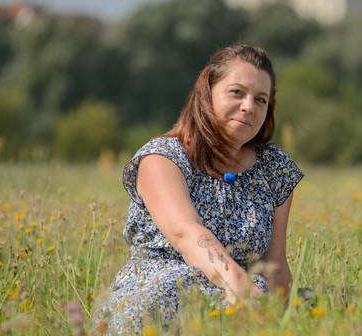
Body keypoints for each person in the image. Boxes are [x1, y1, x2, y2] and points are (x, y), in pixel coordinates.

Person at [92, 45, 303, 333]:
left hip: (244, 299)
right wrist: (236, 282)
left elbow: (274, 263)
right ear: (208, 92)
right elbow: (186, 234)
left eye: (261, 100)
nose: (249, 107)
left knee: (340, 299)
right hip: (165, 294)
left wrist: (288, 322)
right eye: (237, 92)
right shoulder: (162, 158)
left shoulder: (274, 168)